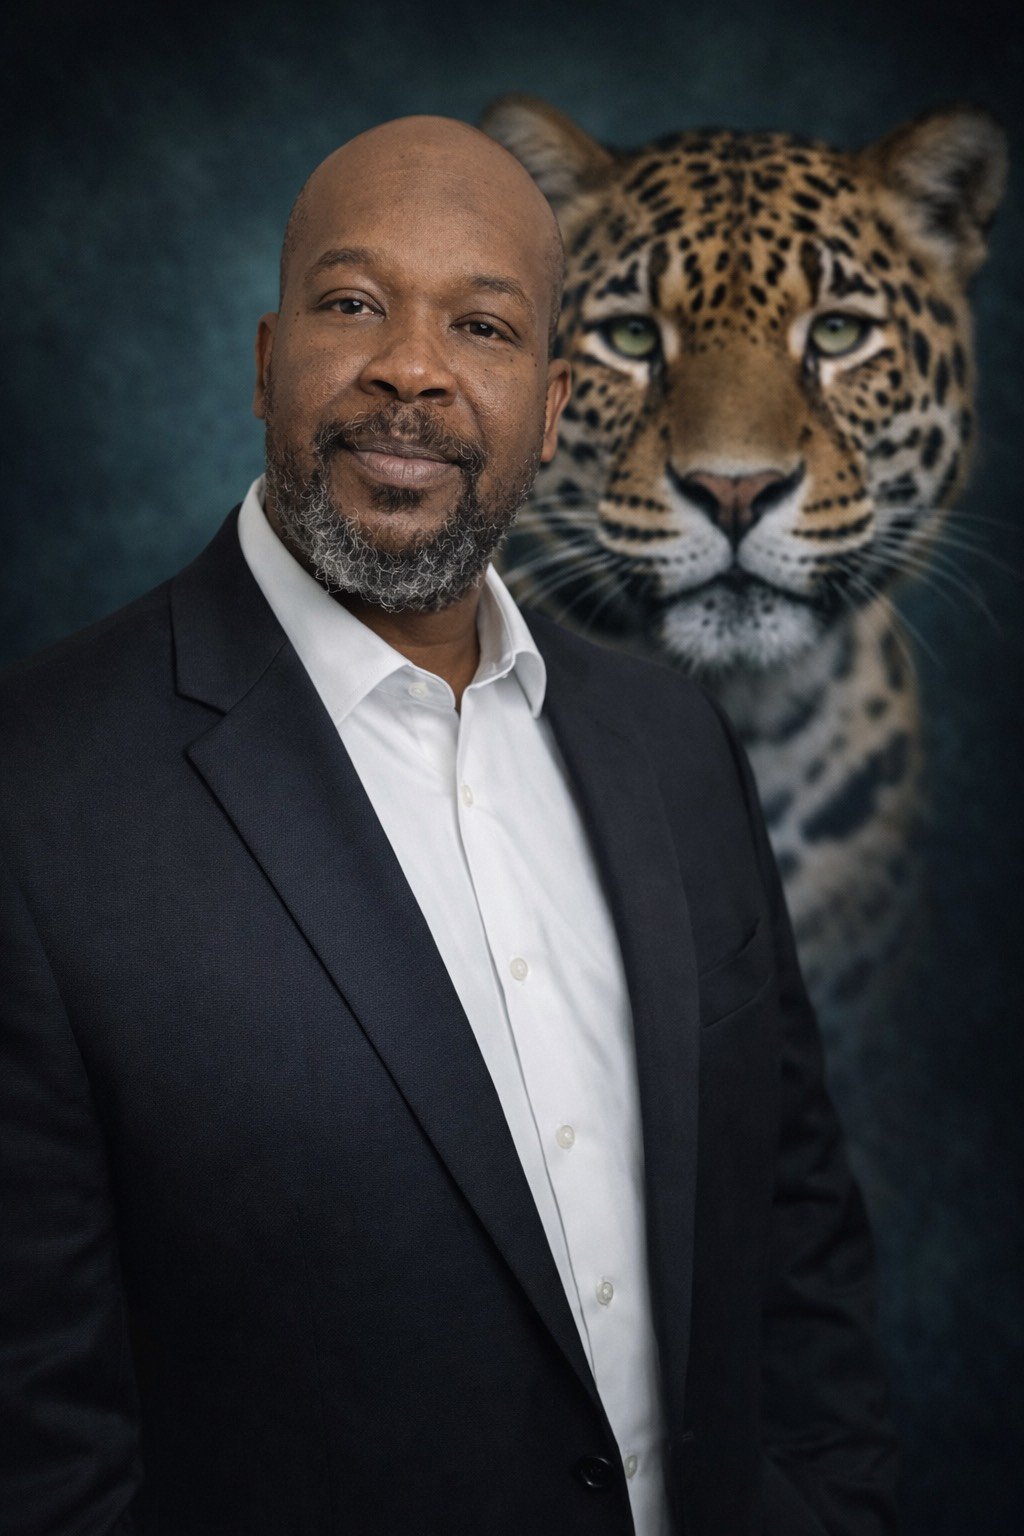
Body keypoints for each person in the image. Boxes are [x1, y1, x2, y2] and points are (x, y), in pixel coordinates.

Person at [0, 116, 898, 1536]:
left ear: (548, 406)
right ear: (262, 360)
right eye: (353, 304)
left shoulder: (672, 746)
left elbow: (794, 1239)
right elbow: (38, 1448)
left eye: (478, 323)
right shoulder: (35, 797)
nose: (410, 367)